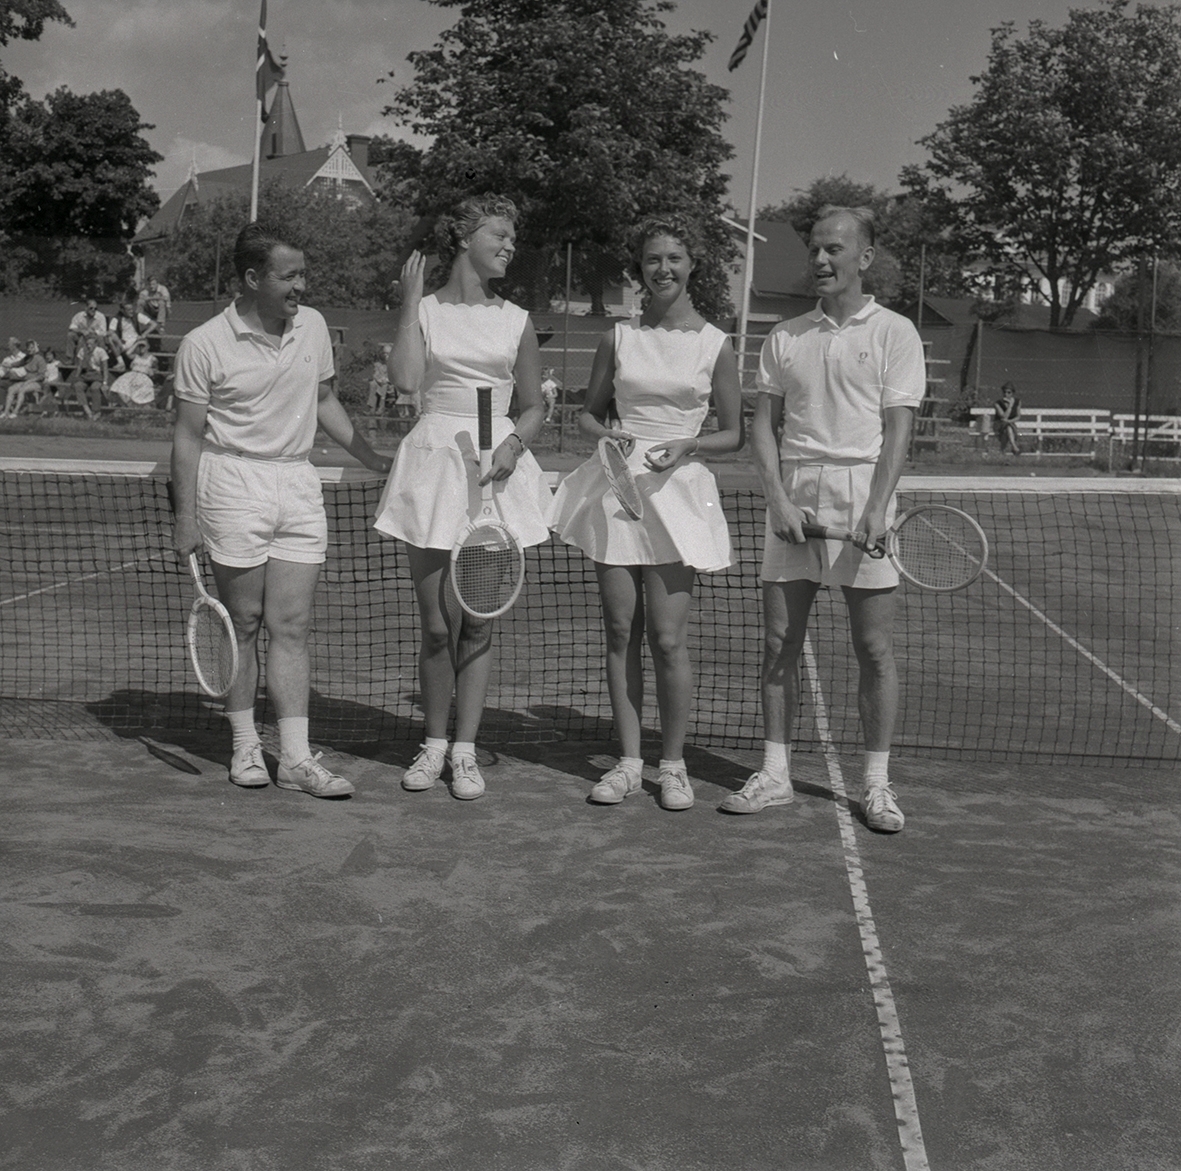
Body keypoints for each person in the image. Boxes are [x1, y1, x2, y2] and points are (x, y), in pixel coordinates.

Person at [171, 220, 392, 797]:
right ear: (252, 278)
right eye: (289, 275)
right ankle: (246, 749)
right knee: (242, 622)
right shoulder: (204, 345)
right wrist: (185, 517)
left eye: (302, 274)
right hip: (232, 486)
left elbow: (322, 399)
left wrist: (371, 455)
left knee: (291, 625)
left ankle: (295, 760)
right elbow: (188, 437)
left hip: (298, 484)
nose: (302, 285)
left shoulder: (313, 325)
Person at [735, 205, 924, 832]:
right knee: (777, 645)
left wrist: (876, 508)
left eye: (833, 249)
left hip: (863, 489)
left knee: (872, 648)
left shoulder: (895, 332)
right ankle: (776, 773)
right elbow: (762, 425)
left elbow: (899, 428)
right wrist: (778, 498)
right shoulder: (785, 336)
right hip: (795, 491)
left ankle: (876, 784)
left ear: (864, 258)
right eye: (814, 249)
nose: (819, 259)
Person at [550, 215, 744, 811]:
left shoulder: (716, 343)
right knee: (619, 632)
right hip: (617, 490)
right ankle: (629, 764)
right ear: (640, 269)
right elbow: (588, 414)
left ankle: (674, 765)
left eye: (674, 258)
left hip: (680, 495)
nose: (663, 269)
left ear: (692, 267)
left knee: (667, 638)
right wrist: (609, 439)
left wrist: (689, 444)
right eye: (653, 259)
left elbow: (734, 432)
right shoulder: (618, 337)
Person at [375, 194, 552, 800]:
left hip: (493, 473)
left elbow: (532, 407)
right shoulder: (423, 310)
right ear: (464, 239)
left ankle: (466, 750)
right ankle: (432, 744)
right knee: (435, 628)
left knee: (476, 623)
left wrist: (514, 448)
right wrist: (407, 306)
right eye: (498, 234)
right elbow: (404, 380)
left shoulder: (517, 319)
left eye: (511, 237)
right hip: (433, 468)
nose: (508, 245)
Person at [2, 339, 47, 417]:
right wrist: (8, 365)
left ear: (35, 348)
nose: (29, 349)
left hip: (37, 382)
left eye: (32, 347)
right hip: (26, 381)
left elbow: (41, 376)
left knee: (22, 390)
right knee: (11, 389)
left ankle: (15, 412)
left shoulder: (40, 359)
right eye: (28, 347)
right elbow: (17, 364)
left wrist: (29, 381)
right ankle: (6, 412)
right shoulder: (27, 358)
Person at [69, 333, 110, 418]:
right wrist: (76, 377)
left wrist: (105, 383)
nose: (88, 346)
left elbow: (105, 369)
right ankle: (87, 410)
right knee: (78, 386)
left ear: (96, 344)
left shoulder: (101, 351)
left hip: (97, 375)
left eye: (90, 344)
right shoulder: (83, 351)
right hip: (86, 375)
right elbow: (80, 366)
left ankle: (96, 411)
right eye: (87, 344)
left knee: (95, 388)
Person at [110, 338, 158, 406]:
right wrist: (137, 343)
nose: (142, 348)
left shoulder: (152, 358)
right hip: (132, 375)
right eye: (140, 346)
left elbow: (155, 370)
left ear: (148, 346)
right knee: (119, 387)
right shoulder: (136, 356)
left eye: (143, 346)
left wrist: (151, 372)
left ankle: (134, 406)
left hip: (143, 376)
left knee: (139, 395)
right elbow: (127, 353)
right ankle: (128, 405)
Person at [137, 276, 171, 351]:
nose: (152, 286)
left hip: (163, 310)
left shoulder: (162, 289)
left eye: (153, 284)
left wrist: (151, 298)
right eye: (150, 284)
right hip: (151, 310)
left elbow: (165, 298)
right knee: (140, 302)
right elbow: (141, 298)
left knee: (161, 302)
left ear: (157, 284)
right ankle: (138, 320)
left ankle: (161, 327)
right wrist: (145, 299)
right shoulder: (146, 291)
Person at [993, 382, 1021, 455]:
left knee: (1007, 429)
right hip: (999, 424)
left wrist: (1009, 421)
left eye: (1009, 392)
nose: (1006, 394)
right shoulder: (998, 403)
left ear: (1012, 393)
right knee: (1007, 428)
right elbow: (1003, 416)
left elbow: (1018, 416)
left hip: (1010, 424)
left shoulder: (1017, 402)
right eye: (1004, 392)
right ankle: (1014, 447)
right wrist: (1010, 406)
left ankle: (1003, 452)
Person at [367, 343, 393, 413]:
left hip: (390, 382)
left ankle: (381, 408)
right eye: (384, 353)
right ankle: (372, 408)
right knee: (373, 384)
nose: (386, 355)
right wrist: (378, 379)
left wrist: (386, 380)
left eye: (388, 353)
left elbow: (395, 376)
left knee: (384, 386)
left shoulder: (394, 364)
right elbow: (375, 374)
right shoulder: (379, 364)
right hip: (379, 382)